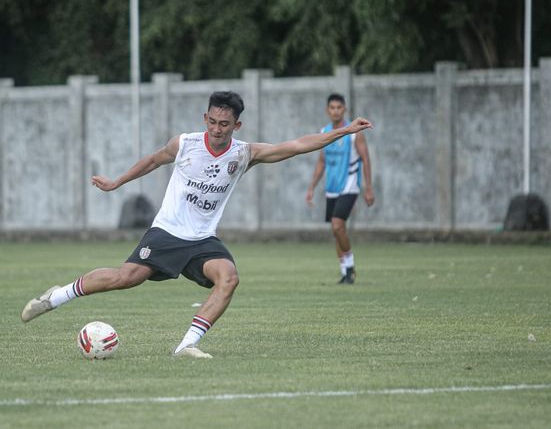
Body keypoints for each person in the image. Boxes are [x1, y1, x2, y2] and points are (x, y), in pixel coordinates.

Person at [22, 91, 372, 358]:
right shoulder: (185, 143)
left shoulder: (243, 153)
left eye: (225, 125)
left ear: (237, 125)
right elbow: (154, 160)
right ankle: (56, 297)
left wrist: (344, 132)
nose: (218, 130)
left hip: (202, 239)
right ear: (205, 117)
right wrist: (116, 182)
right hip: (167, 232)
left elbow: (296, 146)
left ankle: (187, 345)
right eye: (213, 122)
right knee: (123, 278)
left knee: (229, 277)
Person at [305, 93, 374, 284]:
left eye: (339, 107)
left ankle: (350, 266)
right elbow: (321, 162)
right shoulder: (325, 131)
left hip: (350, 185)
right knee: (337, 230)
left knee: (337, 224)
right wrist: (311, 187)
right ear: (328, 110)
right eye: (332, 108)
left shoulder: (354, 132)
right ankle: (345, 273)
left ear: (344, 109)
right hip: (332, 187)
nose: (336, 111)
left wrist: (368, 188)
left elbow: (365, 159)